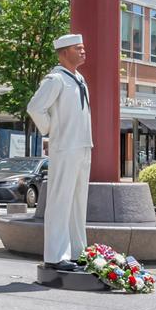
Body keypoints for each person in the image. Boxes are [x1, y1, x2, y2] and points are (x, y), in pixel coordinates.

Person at [26, 34, 93, 267]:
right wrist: (52, 130)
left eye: (83, 47)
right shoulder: (55, 79)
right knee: (60, 201)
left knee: (77, 202)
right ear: (64, 52)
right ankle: (56, 255)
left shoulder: (79, 78)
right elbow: (35, 107)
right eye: (78, 48)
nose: (83, 51)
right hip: (65, 147)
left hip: (83, 145)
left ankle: (76, 251)